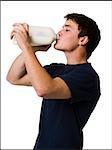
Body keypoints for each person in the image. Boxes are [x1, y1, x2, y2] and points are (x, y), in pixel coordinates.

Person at [6, 13, 101, 150]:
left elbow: (44, 89)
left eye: (67, 29)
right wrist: (33, 48)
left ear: (83, 40)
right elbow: (14, 78)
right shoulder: (56, 69)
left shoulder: (87, 76)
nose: (59, 32)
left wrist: (26, 47)